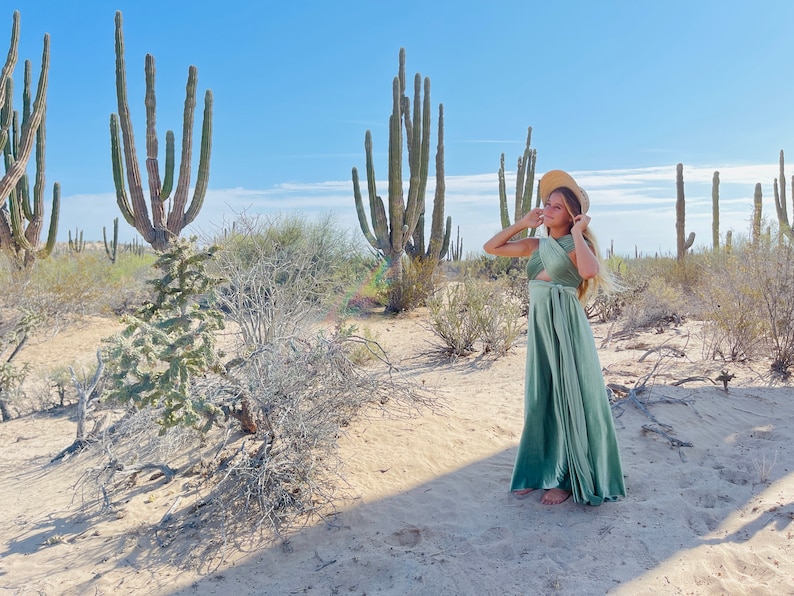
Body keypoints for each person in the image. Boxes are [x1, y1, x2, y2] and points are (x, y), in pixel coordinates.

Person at [483, 169, 625, 506]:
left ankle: (563, 480)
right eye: (547, 204)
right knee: (541, 397)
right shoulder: (536, 244)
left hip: (566, 326)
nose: (548, 210)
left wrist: (578, 231)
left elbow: (589, 272)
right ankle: (537, 472)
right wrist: (522, 223)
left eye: (557, 207)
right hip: (542, 327)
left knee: (567, 396)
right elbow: (492, 247)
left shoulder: (578, 245)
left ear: (573, 214)